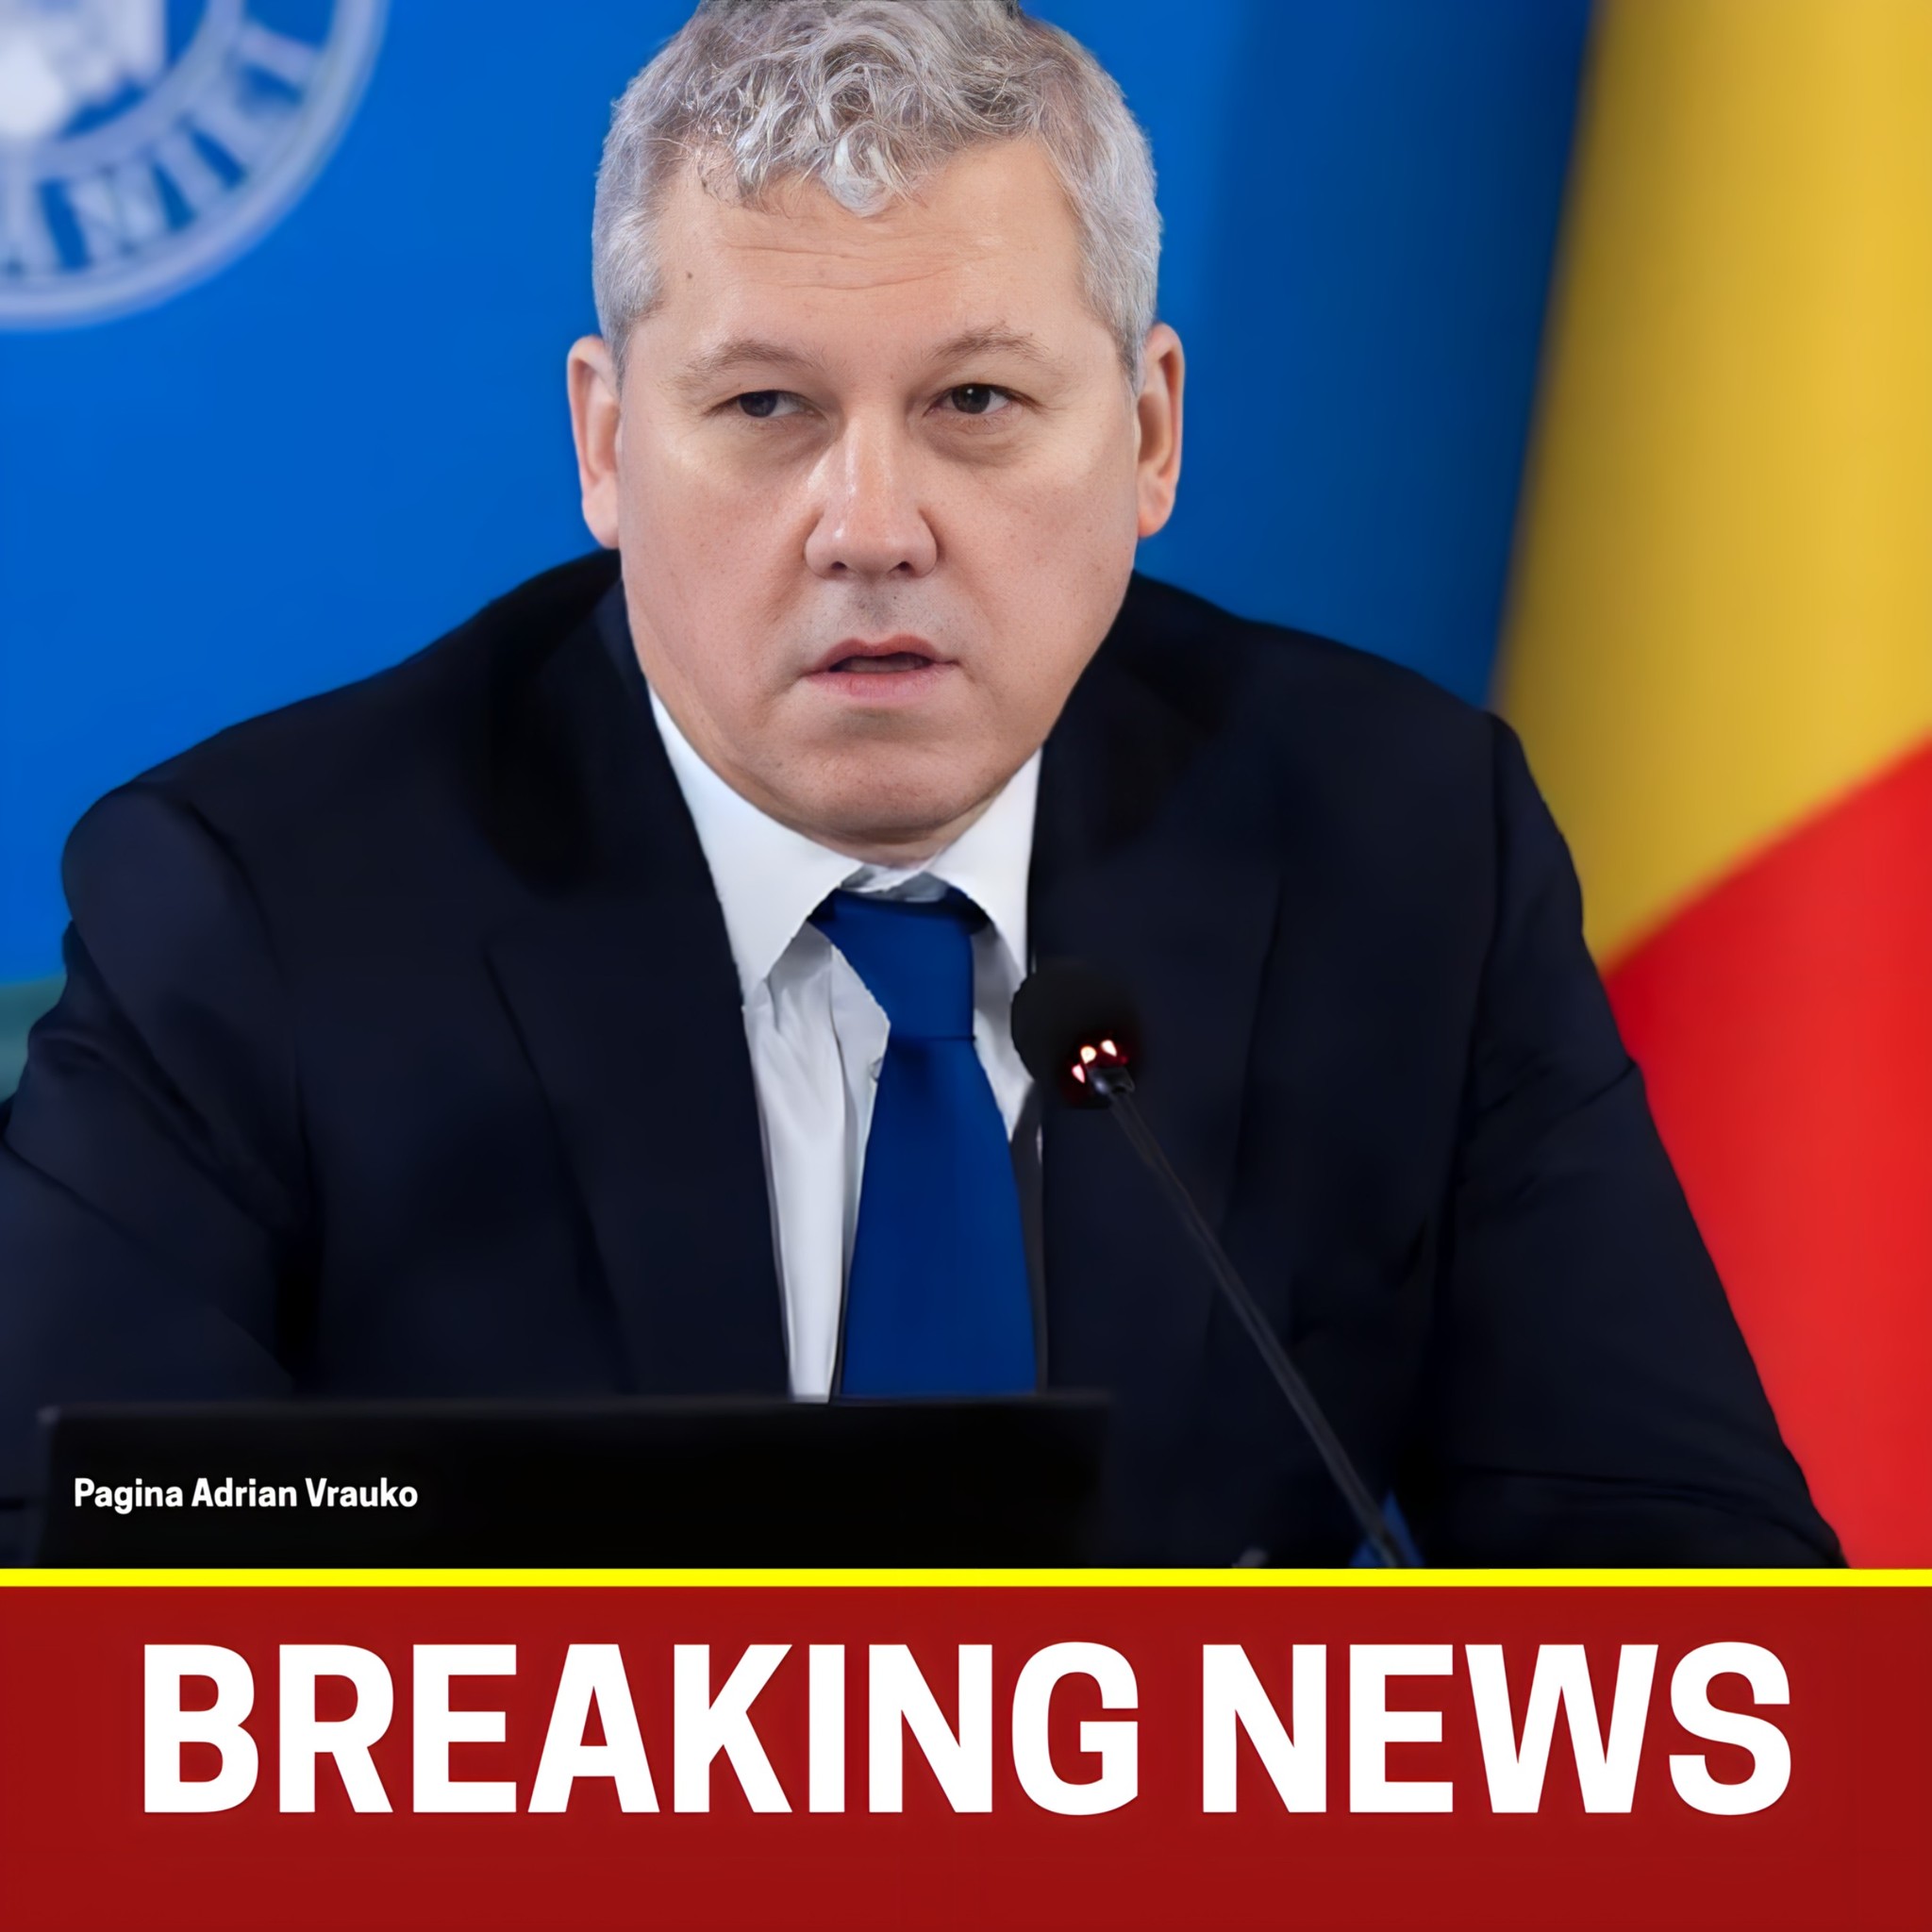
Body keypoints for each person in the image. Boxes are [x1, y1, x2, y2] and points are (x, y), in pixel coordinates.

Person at [0, 0, 1837, 1566]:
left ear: (1149, 432)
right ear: (605, 445)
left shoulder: (1397, 850)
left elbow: (1696, 1623)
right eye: (765, 409)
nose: (870, 527)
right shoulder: (263, 909)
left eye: (973, 403)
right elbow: (67, 1608)